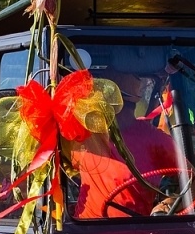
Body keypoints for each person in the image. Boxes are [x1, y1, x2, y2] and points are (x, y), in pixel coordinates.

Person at [70, 69, 184, 218]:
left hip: (133, 230)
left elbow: (193, 184)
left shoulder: (153, 139)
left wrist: (166, 205)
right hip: (84, 230)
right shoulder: (84, 133)